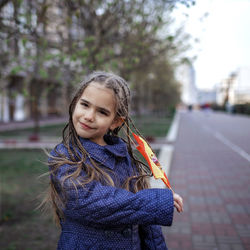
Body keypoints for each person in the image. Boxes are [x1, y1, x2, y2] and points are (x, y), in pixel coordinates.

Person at [44, 71, 183, 250]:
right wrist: (155, 202)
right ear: (75, 103)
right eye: (85, 105)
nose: (89, 116)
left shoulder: (124, 156)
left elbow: (147, 224)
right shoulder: (65, 157)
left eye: (102, 112)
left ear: (116, 121)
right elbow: (90, 202)